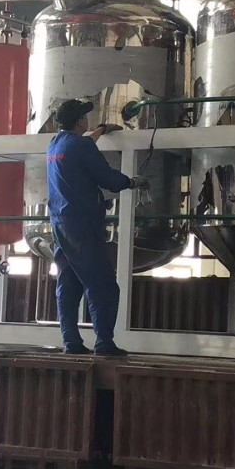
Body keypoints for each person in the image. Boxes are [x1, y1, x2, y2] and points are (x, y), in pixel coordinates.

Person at [47, 98, 141, 357]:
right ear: (80, 121)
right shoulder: (80, 146)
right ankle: (104, 343)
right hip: (83, 226)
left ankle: (71, 342)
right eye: (85, 117)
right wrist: (131, 182)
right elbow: (108, 178)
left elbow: (80, 148)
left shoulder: (55, 144)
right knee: (103, 284)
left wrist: (100, 130)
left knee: (68, 283)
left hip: (60, 224)